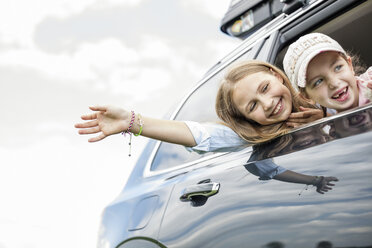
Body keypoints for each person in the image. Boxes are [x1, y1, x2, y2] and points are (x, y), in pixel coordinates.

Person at [75, 60, 338, 194]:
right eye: (252, 106)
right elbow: (200, 135)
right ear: (248, 120)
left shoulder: (325, 93)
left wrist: (326, 119)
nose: (268, 104)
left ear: (278, 76)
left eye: (265, 88)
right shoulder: (257, 136)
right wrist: (133, 122)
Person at [283, 33, 372, 114]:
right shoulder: (330, 127)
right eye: (318, 81)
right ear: (306, 97)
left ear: (350, 65)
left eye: (338, 67)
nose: (334, 83)